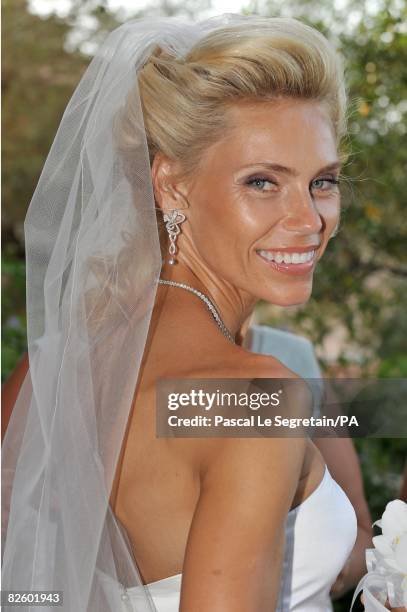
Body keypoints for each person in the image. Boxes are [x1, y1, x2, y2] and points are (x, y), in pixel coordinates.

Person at [2, 13, 393, 612]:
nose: (309, 220)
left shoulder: (50, 372)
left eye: (323, 181)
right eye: (262, 182)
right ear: (171, 186)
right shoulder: (255, 395)